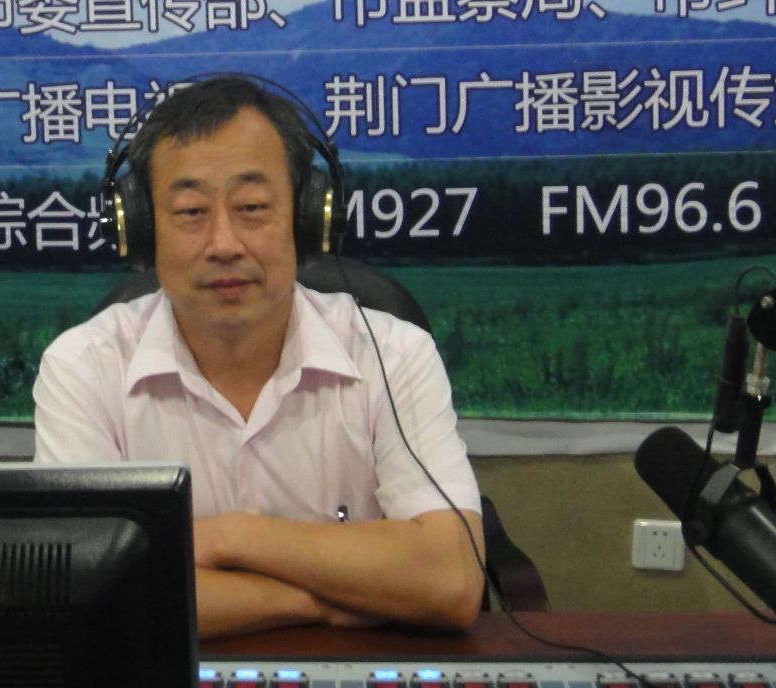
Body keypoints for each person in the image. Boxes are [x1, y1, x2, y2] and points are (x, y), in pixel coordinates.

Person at [34, 75, 485, 639]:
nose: (224, 244)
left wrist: (230, 538)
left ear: (307, 217)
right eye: (191, 211)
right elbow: (89, 593)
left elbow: (451, 580)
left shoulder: (392, 355)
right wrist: (318, 600)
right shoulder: (84, 367)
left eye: (252, 207)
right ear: (142, 228)